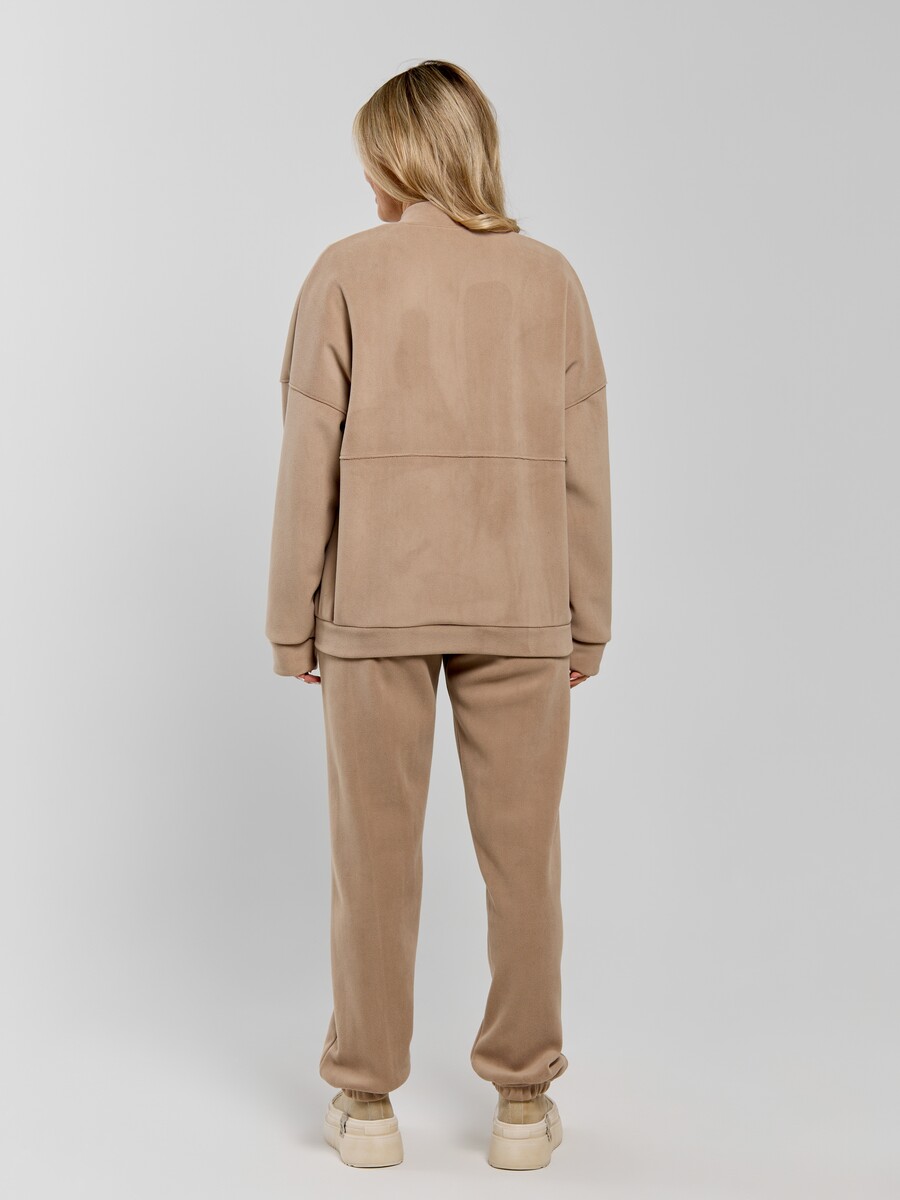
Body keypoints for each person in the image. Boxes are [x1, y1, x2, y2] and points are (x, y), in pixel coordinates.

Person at [265, 59, 611, 1171]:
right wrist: (588, 619)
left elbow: (307, 459)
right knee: (525, 861)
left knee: (373, 858)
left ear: (397, 156)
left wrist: (292, 619)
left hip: (375, 607)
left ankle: (367, 1103)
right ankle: (523, 1103)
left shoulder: (345, 271)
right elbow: (585, 466)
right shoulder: (551, 278)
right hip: (523, 605)